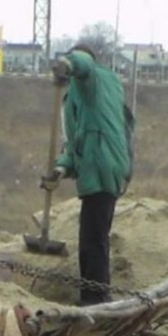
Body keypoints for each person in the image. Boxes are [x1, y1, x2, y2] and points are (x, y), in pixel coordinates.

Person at [42, 44, 132, 306]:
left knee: (93, 239)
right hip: (99, 163)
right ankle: (95, 294)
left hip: (104, 165)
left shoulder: (99, 79)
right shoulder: (80, 98)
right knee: (93, 236)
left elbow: (84, 64)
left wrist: (68, 64)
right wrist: (61, 168)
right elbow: (76, 145)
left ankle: (95, 298)